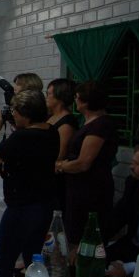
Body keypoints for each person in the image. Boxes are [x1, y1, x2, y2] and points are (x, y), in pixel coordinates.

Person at [0, 90, 59, 277]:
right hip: (43, 205)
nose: (13, 115)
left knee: (4, 260)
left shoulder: (22, 137)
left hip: (21, 208)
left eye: (15, 111)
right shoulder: (52, 132)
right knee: (32, 258)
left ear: (26, 114)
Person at [56, 81, 118, 250]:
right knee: (73, 233)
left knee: (84, 235)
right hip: (78, 188)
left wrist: (61, 166)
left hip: (91, 190)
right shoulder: (88, 122)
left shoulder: (100, 125)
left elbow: (83, 163)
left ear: (86, 102)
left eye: (77, 97)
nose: (75, 101)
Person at [106, 145, 139, 277]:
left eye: (136, 164)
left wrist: (128, 268)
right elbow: (117, 217)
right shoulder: (134, 184)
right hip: (132, 246)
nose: (131, 167)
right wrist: (94, 241)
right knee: (93, 259)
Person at [46, 78, 78, 212]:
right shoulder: (51, 117)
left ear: (59, 97)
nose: (46, 97)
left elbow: (60, 154)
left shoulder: (67, 123)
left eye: (49, 94)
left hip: (56, 178)